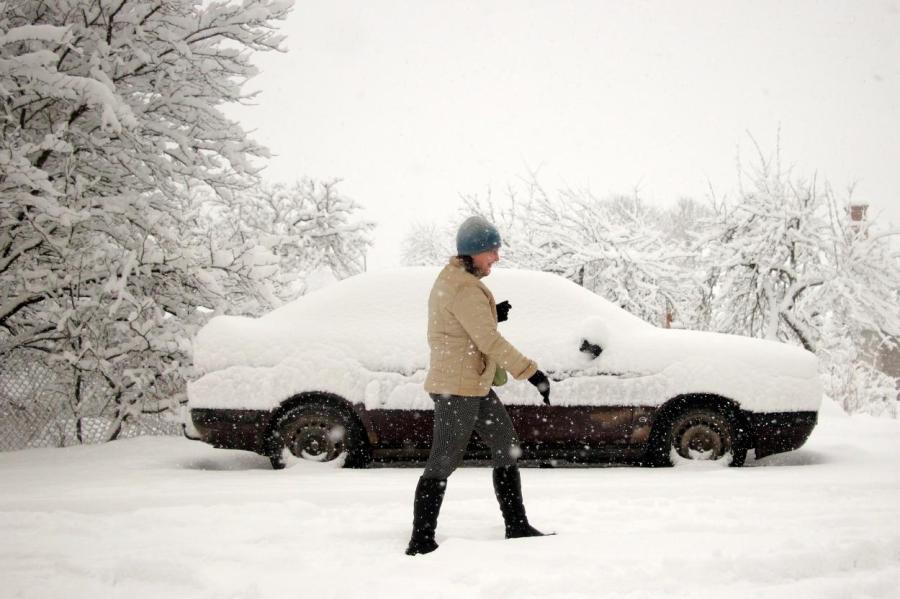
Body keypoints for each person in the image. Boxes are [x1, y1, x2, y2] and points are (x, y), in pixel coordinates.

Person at [405, 215, 553, 556]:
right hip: (458, 388)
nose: (496, 258)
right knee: (443, 460)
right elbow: (489, 341)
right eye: (491, 251)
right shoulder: (465, 287)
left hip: (472, 382)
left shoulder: (455, 279)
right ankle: (420, 540)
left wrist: (490, 314)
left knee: (506, 445)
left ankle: (516, 525)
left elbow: (459, 324)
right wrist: (533, 373)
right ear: (473, 252)